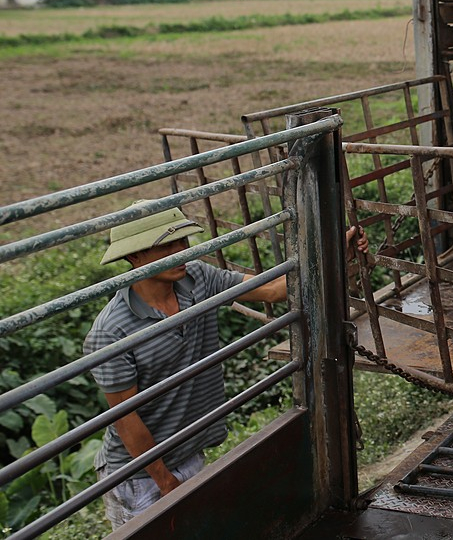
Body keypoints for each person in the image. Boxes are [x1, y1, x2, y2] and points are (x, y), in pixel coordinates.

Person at [84, 203, 367, 529]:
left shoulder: (198, 278)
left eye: (182, 241)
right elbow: (125, 418)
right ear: (134, 256)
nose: (180, 252)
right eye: (167, 246)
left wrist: (336, 253)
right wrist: (164, 481)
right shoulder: (111, 331)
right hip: (141, 475)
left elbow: (273, 290)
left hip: (188, 451)